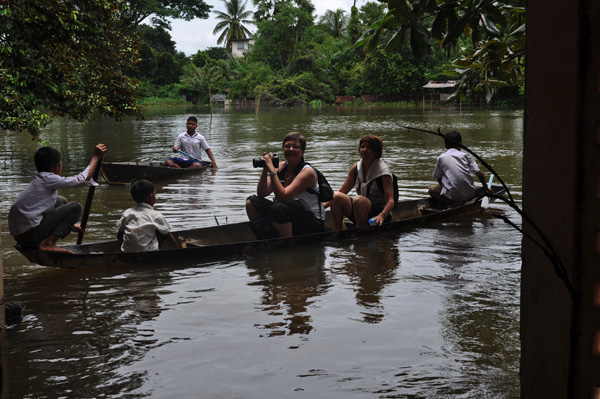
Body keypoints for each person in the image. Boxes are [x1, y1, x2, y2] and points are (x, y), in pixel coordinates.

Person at [8, 143, 107, 254]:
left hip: (22, 235)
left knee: (60, 200)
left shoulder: (41, 179)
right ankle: (49, 243)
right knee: (76, 207)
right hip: (30, 236)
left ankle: (60, 232)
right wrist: (95, 157)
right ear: (57, 166)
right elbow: (81, 180)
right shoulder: (48, 179)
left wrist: (70, 226)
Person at [246, 132, 325, 238]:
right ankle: (265, 237)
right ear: (283, 149)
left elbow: (282, 196)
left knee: (278, 208)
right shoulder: (282, 167)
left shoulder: (307, 172)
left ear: (302, 152)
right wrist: (266, 169)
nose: (291, 149)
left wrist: (272, 171)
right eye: (287, 146)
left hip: (313, 223)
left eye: (295, 147)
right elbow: (262, 193)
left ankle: (286, 245)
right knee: (252, 202)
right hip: (288, 214)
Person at [326, 135, 395, 230]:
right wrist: (323, 207)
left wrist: (382, 216)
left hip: (379, 216)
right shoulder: (356, 168)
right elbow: (342, 192)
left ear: (376, 151)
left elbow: (391, 201)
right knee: (335, 196)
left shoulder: (383, 172)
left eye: (369, 148)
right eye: (362, 147)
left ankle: (361, 232)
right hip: (359, 211)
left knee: (358, 200)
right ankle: (338, 232)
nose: (364, 150)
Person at [428, 130, 490, 207]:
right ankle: (459, 200)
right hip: (470, 194)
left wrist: (446, 187)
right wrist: (486, 188)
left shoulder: (441, 158)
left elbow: (438, 178)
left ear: (445, 146)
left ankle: (452, 204)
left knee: (431, 189)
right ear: (460, 144)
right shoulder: (466, 156)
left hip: (453, 196)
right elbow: (480, 174)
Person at [116, 179, 178, 252]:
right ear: (151, 197)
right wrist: (179, 252)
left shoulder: (127, 212)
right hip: (147, 254)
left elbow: (119, 236)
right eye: (155, 194)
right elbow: (170, 238)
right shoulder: (156, 215)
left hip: (126, 253)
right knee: (162, 230)